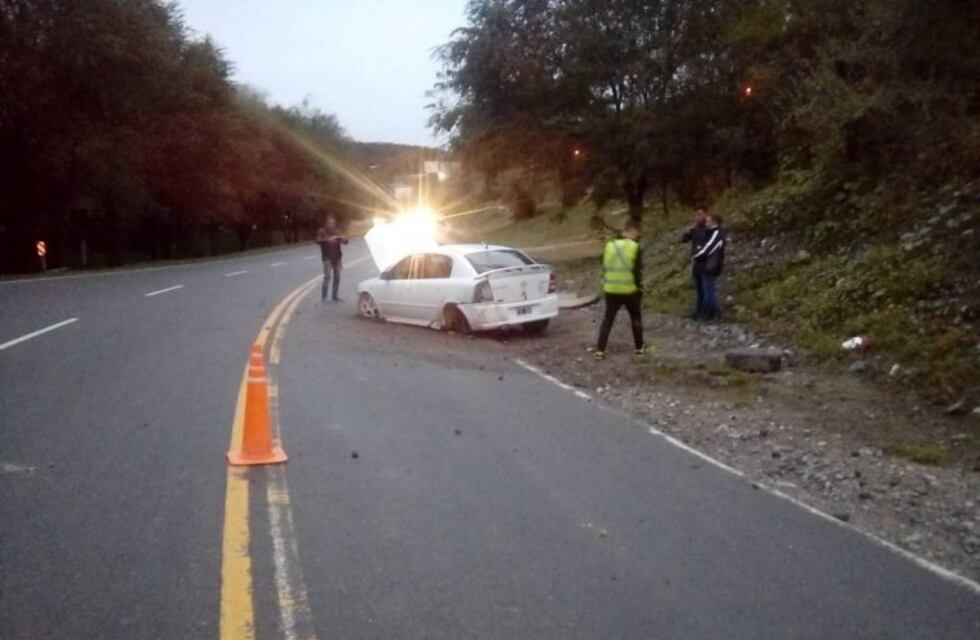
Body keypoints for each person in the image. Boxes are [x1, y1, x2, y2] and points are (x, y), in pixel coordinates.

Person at [595, 219, 645, 360]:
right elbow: (637, 271)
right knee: (635, 318)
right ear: (633, 231)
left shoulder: (609, 246)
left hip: (610, 289)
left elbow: (604, 265)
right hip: (629, 290)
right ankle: (639, 348)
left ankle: (600, 350)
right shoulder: (635, 247)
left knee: (608, 319)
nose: (637, 236)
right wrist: (639, 288)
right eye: (637, 233)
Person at [692, 213, 726, 320]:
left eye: (708, 221)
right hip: (706, 265)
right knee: (707, 290)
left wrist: (697, 255)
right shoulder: (710, 233)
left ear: (714, 222)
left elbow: (708, 248)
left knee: (709, 291)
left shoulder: (717, 233)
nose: (706, 223)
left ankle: (709, 313)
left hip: (711, 265)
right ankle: (712, 313)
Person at [680, 207, 709, 320]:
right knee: (699, 288)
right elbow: (683, 240)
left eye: (700, 214)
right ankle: (698, 310)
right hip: (696, 261)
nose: (698, 217)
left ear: (706, 215)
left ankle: (706, 312)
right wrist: (686, 233)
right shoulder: (695, 229)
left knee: (706, 288)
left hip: (706, 261)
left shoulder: (709, 229)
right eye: (696, 215)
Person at [314, 216, 349, 302]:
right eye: (330, 223)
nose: (332, 224)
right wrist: (327, 240)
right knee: (327, 276)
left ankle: (335, 296)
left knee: (337, 276)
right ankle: (324, 296)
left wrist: (344, 239)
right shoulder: (322, 231)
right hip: (327, 257)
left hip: (337, 257)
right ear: (326, 223)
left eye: (333, 223)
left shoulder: (337, 231)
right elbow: (317, 240)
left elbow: (346, 242)